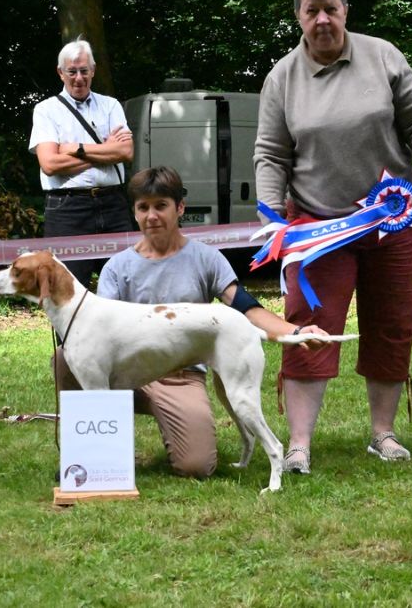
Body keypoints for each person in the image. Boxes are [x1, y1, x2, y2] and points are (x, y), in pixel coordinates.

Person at [253, 0, 412, 475]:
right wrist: (275, 219)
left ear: (346, 11)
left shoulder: (383, 56)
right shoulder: (282, 78)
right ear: (298, 15)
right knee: (307, 327)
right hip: (319, 229)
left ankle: (382, 434)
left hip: (394, 222)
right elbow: (270, 155)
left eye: (331, 9)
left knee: (392, 326)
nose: (322, 20)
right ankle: (299, 445)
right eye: (311, 10)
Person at [55, 166, 328, 479]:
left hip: (181, 376)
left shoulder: (206, 258)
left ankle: (171, 428)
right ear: (134, 212)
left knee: (196, 466)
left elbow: (245, 307)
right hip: (131, 375)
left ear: (180, 208)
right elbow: (96, 338)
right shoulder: (117, 267)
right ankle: (96, 455)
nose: (152, 216)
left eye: (161, 206)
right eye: (143, 208)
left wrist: (294, 331)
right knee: (66, 357)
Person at [28, 38, 135, 288]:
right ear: (60, 73)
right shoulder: (46, 110)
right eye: (72, 71)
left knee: (125, 285)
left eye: (84, 71)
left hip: (113, 204)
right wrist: (106, 152)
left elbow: (126, 152)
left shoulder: (111, 106)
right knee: (66, 290)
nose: (78, 77)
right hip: (67, 209)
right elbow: (50, 164)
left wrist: (75, 149)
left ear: (93, 71)